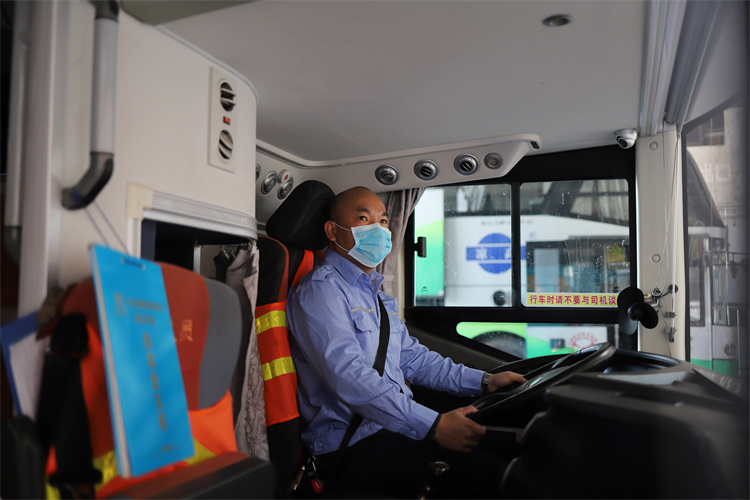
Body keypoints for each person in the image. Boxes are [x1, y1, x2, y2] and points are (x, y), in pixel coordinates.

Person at [286, 186, 526, 498]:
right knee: (496, 475)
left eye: (384, 221)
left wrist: (484, 381)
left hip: (391, 428)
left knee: (519, 455)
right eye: (363, 219)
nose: (378, 229)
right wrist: (433, 425)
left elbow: (414, 359)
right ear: (332, 231)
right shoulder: (320, 291)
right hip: (350, 447)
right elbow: (349, 377)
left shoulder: (375, 296)